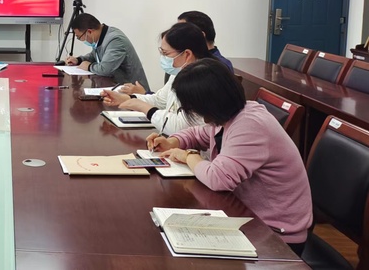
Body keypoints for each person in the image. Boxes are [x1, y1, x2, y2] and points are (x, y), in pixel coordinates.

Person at [147, 59, 312, 255]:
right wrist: (173, 141)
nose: (191, 112)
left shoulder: (250, 125)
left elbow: (218, 179)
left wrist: (189, 156)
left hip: (275, 234)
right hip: (247, 214)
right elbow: (199, 134)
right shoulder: (230, 115)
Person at [102, 22, 209, 135]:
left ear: (187, 54)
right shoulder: (179, 71)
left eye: (166, 53)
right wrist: (127, 98)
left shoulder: (204, 80)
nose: (163, 57)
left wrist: (143, 107)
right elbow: (160, 100)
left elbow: (180, 127)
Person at [64, 13, 150, 90]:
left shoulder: (115, 40)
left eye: (79, 37)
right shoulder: (101, 37)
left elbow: (105, 69)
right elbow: (94, 56)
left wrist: (89, 67)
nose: (81, 40)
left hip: (134, 93)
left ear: (89, 31)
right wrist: (78, 60)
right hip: (115, 87)